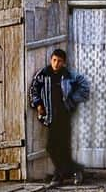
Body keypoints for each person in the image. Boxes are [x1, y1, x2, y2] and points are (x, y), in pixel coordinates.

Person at [28, 48, 91, 184]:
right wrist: (38, 105)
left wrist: (73, 99)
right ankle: (73, 171)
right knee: (52, 147)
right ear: (51, 59)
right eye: (54, 60)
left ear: (64, 63)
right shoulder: (43, 74)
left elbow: (84, 87)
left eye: (59, 61)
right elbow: (34, 88)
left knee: (61, 146)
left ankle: (60, 175)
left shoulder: (69, 75)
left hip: (64, 115)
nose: (56, 64)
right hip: (50, 116)